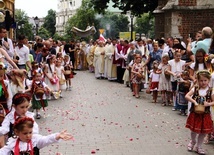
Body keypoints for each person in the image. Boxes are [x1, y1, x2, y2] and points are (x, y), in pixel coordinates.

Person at [0, 117, 72, 154]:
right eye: (25, 133)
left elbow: (46, 139)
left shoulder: (35, 141)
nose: (28, 136)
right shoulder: (12, 144)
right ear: (17, 132)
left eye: (30, 132)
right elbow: (3, 152)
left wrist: (57, 136)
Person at [185, 70, 213, 154]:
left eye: (205, 80)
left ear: (208, 80)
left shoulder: (211, 90)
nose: (203, 82)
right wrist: (194, 101)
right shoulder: (195, 88)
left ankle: (199, 146)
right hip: (195, 113)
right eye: (201, 80)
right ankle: (193, 141)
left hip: (205, 114)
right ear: (198, 80)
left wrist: (208, 103)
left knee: (203, 131)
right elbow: (187, 96)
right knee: (194, 130)